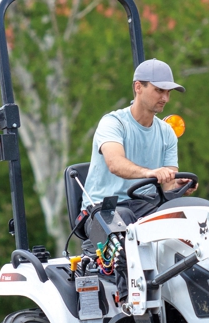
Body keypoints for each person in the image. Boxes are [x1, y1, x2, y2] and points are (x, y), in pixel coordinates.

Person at [82, 58, 197, 229]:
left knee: (195, 220)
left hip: (145, 207)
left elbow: (168, 187)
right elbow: (115, 164)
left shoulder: (167, 132)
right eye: (159, 90)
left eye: (168, 92)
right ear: (138, 87)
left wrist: (178, 185)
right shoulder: (113, 123)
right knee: (125, 224)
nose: (165, 98)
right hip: (104, 209)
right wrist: (150, 173)